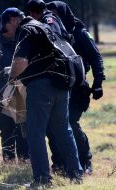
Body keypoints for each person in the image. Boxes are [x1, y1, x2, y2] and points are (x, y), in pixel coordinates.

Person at [0, 7, 83, 186]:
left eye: (7, 27)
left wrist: (11, 77)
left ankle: (42, 179)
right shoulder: (44, 25)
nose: (8, 32)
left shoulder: (26, 29)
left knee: (35, 133)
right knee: (63, 130)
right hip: (61, 85)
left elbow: (20, 61)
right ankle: (76, 173)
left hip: (42, 86)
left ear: (14, 20)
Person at [46, 1, 106, 174]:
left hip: (78, 87)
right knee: (53, 126)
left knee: (70, 122)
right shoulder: (49, 34)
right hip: (57, 88)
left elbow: (96, 58)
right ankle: (60, 163)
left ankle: (85, 161)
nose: (52, 17)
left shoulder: (79, 32)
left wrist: (98, 83)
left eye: (55, 13)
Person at [0, 12, 29, 163]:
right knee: (6, 129)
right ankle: (8, 162)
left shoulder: (25, 43)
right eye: (13, 21)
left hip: (22, 92)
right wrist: (5, 72)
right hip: (1, 93)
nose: (18, 24)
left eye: (19, 20)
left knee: (23, 130)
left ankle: (24, 162)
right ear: (4, 24)